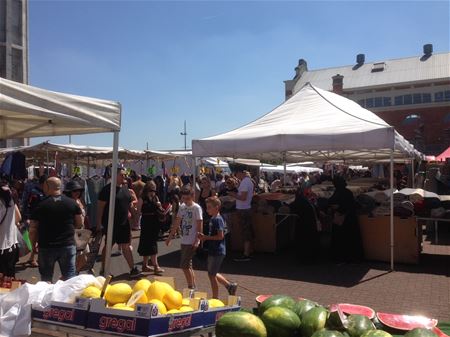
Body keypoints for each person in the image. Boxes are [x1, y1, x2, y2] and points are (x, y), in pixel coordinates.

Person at [29, 177, 83, 282]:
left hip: (46, 247)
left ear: (47, 186)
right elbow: (79, 223)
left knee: (46, 280)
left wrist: (32, 245)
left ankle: (47, 298)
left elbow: (33, 229)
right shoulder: (72, 203)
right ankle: (68, 298)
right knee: (69, 279)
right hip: (67, 245)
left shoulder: (40, 206)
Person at [96, 167, 141, 278]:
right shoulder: (106, 190)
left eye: (125, 175)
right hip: (110, 224)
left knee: (126, 246)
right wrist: (98, 223)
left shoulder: (126, 190)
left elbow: (129, 205)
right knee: (108, 246)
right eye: (122, 175)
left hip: (124, 224)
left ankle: (132, 269)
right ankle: (104, 270)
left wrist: (134, 214)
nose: (124, 177)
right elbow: (100, 208)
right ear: (114, 176)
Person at [198, 196, 237, 299]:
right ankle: (230, 286)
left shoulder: (218, 219)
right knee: (212, 273)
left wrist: (206, 237)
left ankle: (215, 297)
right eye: (207, 207)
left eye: (209, 207)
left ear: (217, 207)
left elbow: (220, 236)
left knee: (211, 275)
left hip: (218, 251)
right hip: (213, 250)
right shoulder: (213, 218)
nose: (207, 210)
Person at [165, 187, 202, 289]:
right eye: (183, 198)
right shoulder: (182, 206)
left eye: (187, 198)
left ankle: (191, 286)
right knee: (188, 264)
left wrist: (197, 239)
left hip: (191, 240)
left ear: (192, 197)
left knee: (184, 265)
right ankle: (193, 285)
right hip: (184, 239)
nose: (185, 201)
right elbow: (177, 222)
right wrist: (170, 237)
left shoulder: (196, 208)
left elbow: (199, 224)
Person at [328, 176, 363, 262]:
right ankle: (349, 257)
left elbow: (333, 202)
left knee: (342, 239)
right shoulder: (347, 192)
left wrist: (337, 207)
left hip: (343, 219)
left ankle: (342, 257)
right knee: (349, 239)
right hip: (349, 219)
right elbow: (352, 204)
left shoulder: (338, 192)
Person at [137, 181, 165, 274]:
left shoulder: (155, 197)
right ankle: (156, 266)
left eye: (154, 190)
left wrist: (159, 205)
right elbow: (138, 211)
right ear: (148, 189)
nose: (153, 192)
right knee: (149, 244)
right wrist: (136, 223)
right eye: (152, 190)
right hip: (146, 221)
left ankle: (145, 265)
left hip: (154, 222)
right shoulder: (142, 198)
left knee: (151, 243)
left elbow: (160, 209)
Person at [289, 183, 320, 263]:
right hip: (307, 224)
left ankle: (305, 257)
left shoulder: (302, 200)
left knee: (304, 242)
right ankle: (308, 257)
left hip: (304, 224)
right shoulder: (304, 201)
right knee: (307, 242)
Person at [230, 168, 254, 261]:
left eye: (236, 173)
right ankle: (249, 251)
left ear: (241, 173)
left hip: (243, 209)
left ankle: (246, 253)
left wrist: (233, 195)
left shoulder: (245, 182)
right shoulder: (248, 181)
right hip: (245, 208)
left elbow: (243, 197)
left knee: (245, 231)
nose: (236, 175)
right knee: (247, 230)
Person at [23, 175, 47, 267]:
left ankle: (38, 258)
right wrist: (27, 217)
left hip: (44, 219)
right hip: (34, 219)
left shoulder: (47, 192)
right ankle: (32, 258)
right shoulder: (33, 191)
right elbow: (26, 204)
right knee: (32, 240)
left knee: (42, 240)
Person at [0, 183, 21, 277]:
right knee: (9, 279)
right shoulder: (11, 201)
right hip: (12, 245)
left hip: (2, 247)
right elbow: (18, 217)